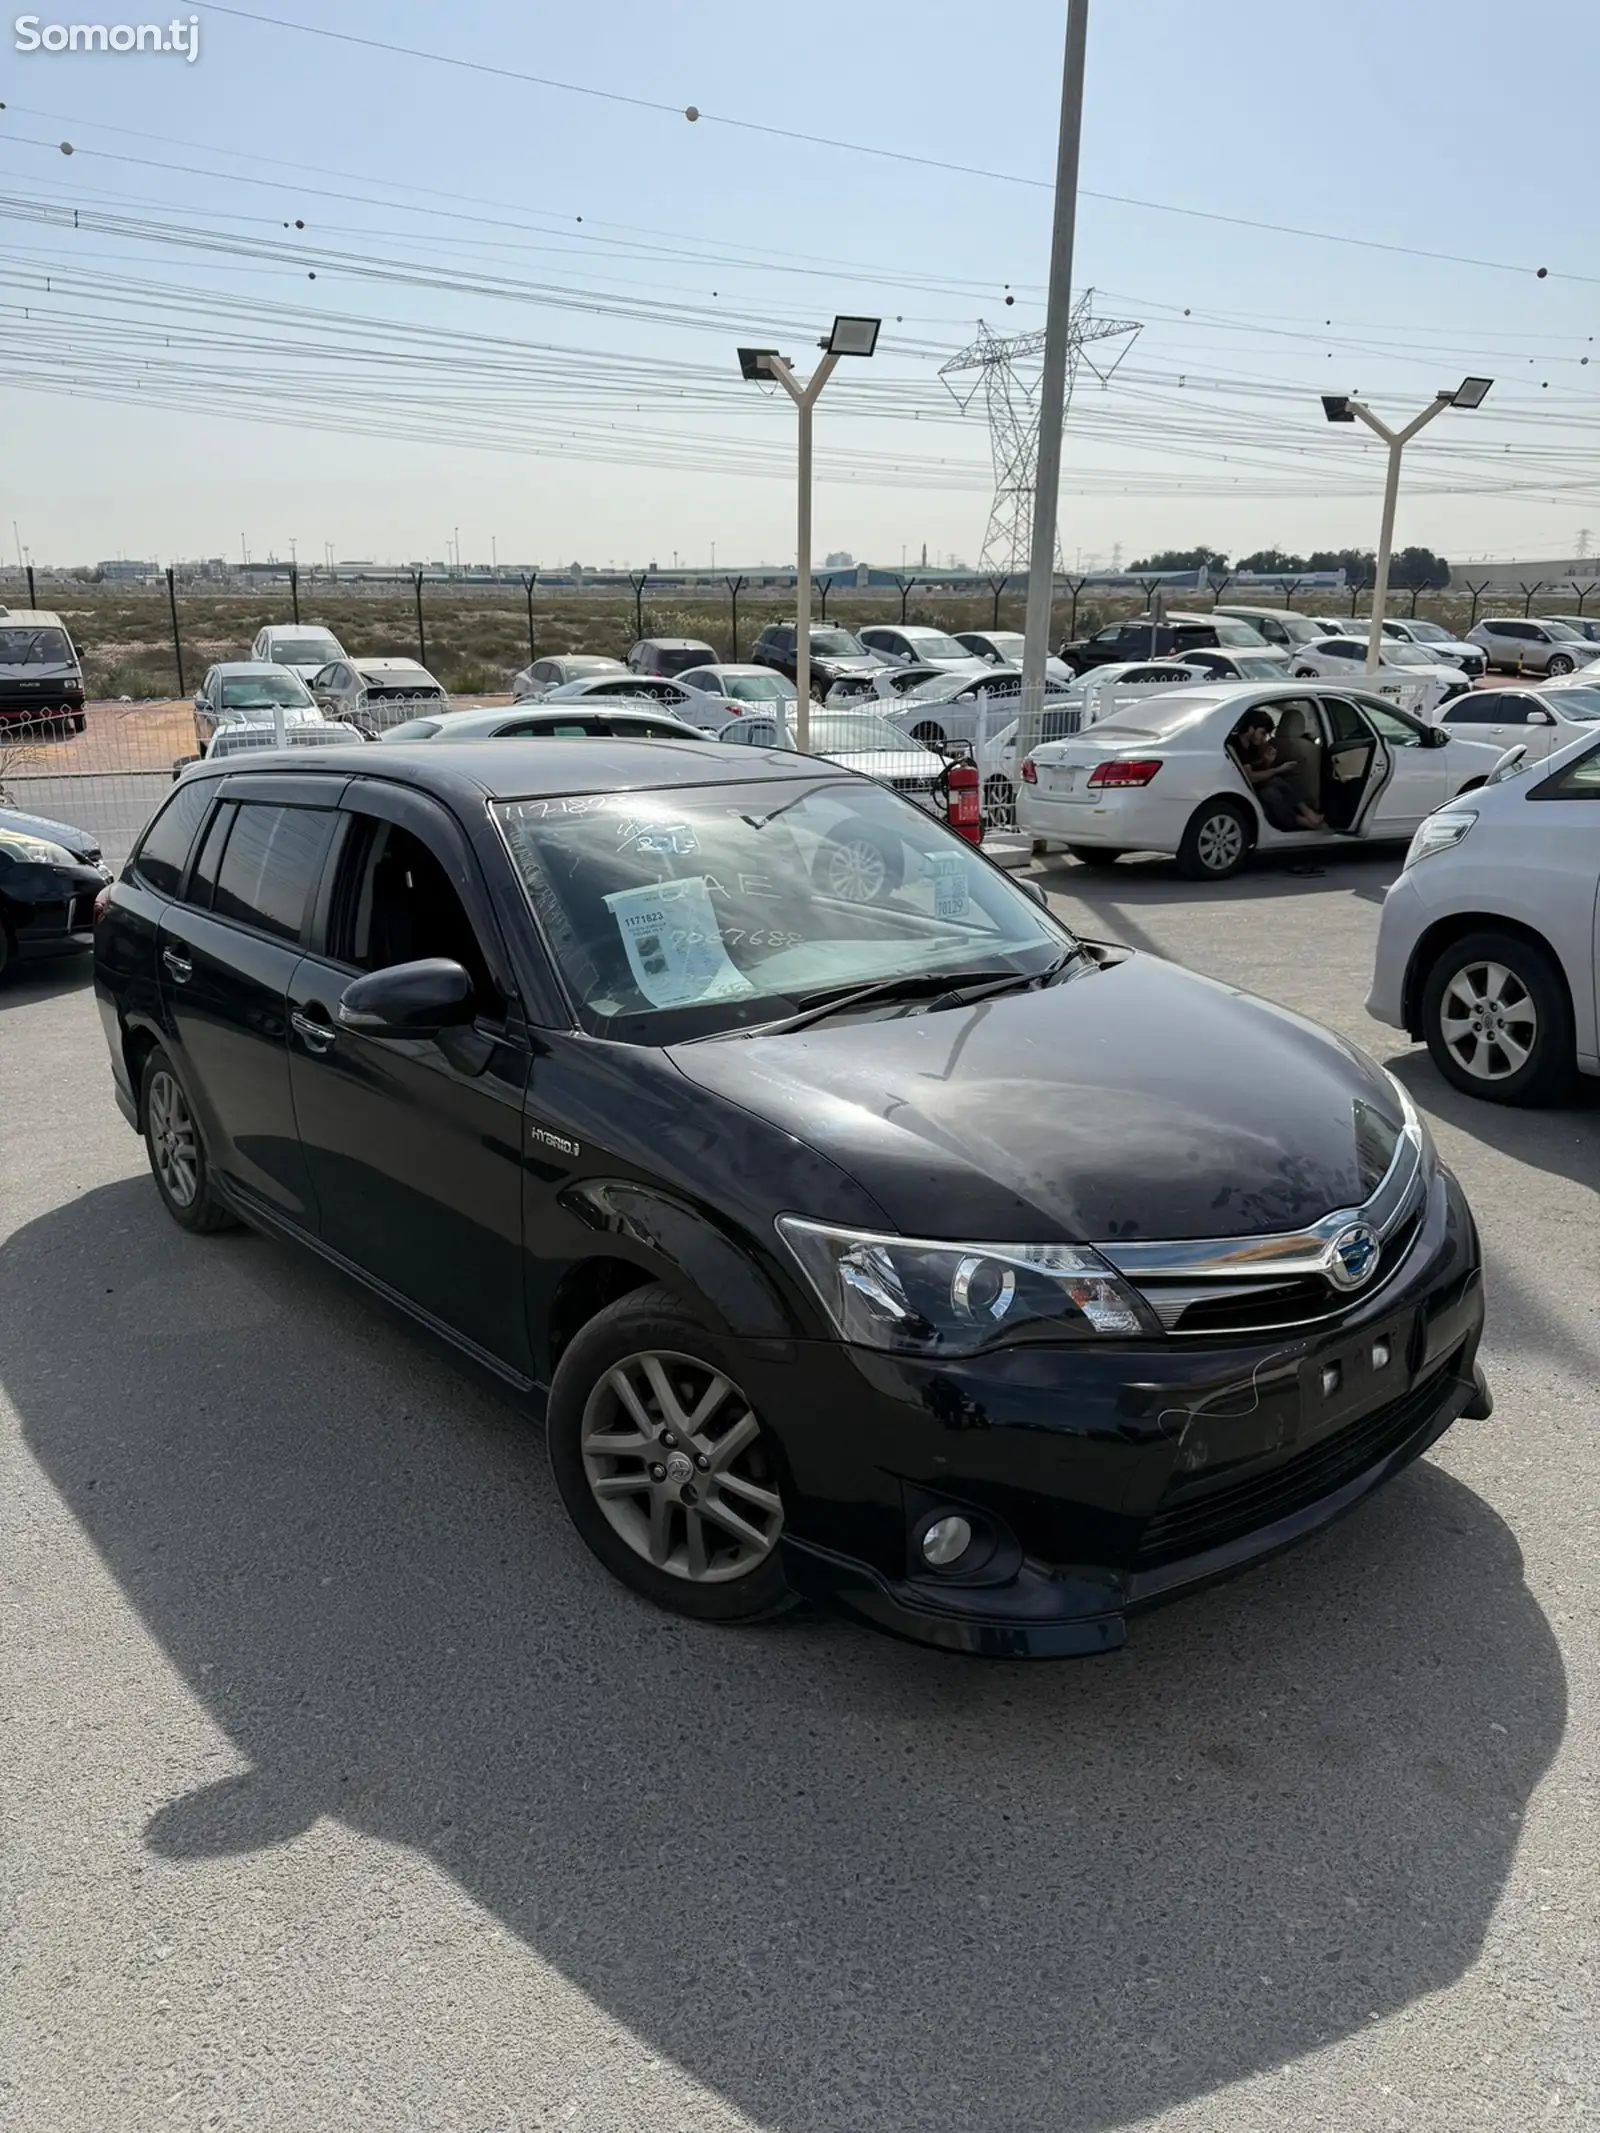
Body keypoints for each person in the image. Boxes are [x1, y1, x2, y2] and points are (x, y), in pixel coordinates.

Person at [1228, 710, 1324, 830]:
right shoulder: (1235, 744)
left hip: (1252, 786)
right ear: (1251, 728)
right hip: (1240, 789)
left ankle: (1308, 812)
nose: (1264, 738)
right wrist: (1278, 769)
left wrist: (1267, 761)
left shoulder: (1251, 746)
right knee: (1270, 792)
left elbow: (1255, 771)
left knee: (1276, 782)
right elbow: (1250, 777)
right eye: (1262, 733)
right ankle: (1302, 821)